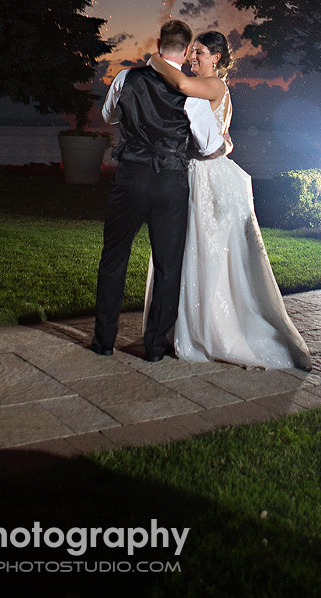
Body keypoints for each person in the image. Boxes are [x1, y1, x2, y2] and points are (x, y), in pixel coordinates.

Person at [146, 31, 311, 371]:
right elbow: (221, 135)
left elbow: (181, 85)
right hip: (197, 173)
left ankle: (211, 327)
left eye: (200, 53)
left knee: (209, 249)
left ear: (216, 58)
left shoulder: (214, 86)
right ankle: (183, 323)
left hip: (208, 178)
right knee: (194, 249)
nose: (194, 58)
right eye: (193, 53)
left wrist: (155, 61)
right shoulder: (210, 89)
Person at [92, 19, 224, 362]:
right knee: (168, 265)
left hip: (131, 178)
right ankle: (153, 347)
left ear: (159, 43)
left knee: (114, 258)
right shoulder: (191, 91)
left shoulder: (125, 78)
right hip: (169, 182)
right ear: (185, 50)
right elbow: (209, 145)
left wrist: (137, 125)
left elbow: (108, 116)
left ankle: (104, 341)